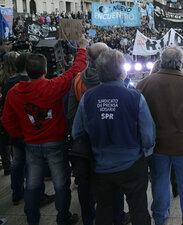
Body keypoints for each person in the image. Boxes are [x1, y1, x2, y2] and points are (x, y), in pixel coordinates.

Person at [2, 35, 89, 225]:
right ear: (45, 70)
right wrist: (82, 48)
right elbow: (76, 70)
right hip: (55, 142)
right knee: (60, 184)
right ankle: (63, 217)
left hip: (31, 143)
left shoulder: (14, 92)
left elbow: (7, 121)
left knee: (32, 184)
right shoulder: (53, 86)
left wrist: (23, 133)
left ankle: (32, 219)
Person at [72, 49, 155, 225]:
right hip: (132, 163)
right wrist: (146, 153)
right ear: (122, 71)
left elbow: (77, 132)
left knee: (104, 209)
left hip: (101, 165)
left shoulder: (88, 98)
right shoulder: (135, 97)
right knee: (138, 208)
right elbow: (148, 134)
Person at [138, 47, 183, 225]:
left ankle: (160, 217)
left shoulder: (145, 84)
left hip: (157, 146)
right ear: (181, 61)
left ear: (161, 60)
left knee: (159, 181)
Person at [66, 43, 130, 225]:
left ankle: (89, 218)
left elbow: (71, 114)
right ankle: (118, 217)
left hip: (86, 143)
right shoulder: (119, 83)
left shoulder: (78, 79)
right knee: (114, 185)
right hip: (113, 143)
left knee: (85, 184)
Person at [1, 53, 54, 206]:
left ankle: (17, 193)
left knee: (17, 162)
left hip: (16, 132)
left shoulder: (9, 82)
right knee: (34, 166)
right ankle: (38, 197)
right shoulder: (27, 83)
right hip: (29, 131)